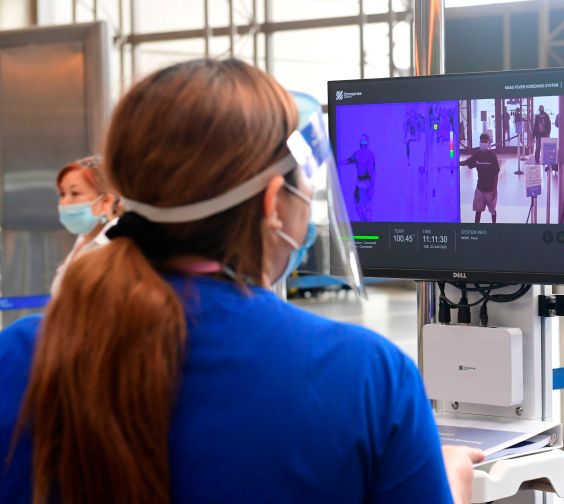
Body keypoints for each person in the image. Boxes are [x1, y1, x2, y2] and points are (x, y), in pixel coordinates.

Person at [0, 59, 483, 503]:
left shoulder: (23, 355)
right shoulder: (364, 376)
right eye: (304, 190)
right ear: (274, 203)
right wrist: (451, 484)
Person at [51, 155, 120, 295]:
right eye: (62, 194)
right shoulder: (82, 240)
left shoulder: (116, 244)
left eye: (75, 193)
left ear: (106, 200)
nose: (64, 202)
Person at [461, 133, 500, 223]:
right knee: (478, 211)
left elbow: (496, 173)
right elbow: (467, 162)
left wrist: (495, 189)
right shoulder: (477, 155)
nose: (483, 143)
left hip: (490, 190)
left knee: (492, 211)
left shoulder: (492, 156)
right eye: (481, 141)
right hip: (480, 189)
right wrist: (454, 161)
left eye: (485, 141)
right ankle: (476, 229)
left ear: (488, 143)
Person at [343, 134, 376, 221]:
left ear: (367, 143)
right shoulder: (357, 154)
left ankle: (367, 222)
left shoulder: (370, 155)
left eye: (365, 142)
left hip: (366, 182)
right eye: (362, 142)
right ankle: (364, 221)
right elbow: (348, 160)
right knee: (358, 204)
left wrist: (372, 187)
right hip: (360, 182)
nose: (363, 144)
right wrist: (338, 162)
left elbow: (373, 172)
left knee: (366, 204)